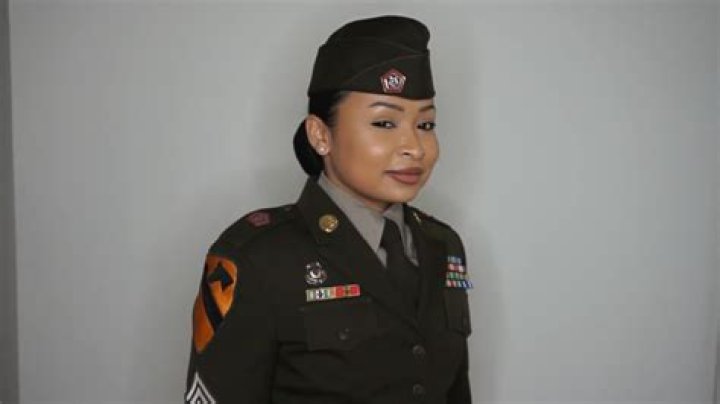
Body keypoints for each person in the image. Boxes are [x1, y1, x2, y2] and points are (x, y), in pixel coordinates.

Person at [185, 15, 473, 404]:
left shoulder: (443, 245)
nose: (414, 148)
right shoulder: (258, 257)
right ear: (320, 135)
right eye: (384, 123)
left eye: (426, 125)